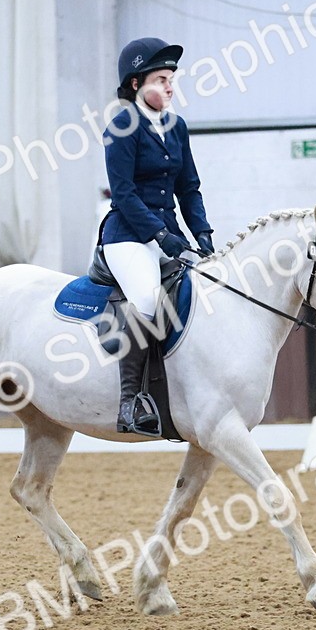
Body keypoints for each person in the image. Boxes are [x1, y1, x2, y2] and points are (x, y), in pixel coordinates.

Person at [100, 37, 214, 436]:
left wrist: (203, 234)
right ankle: (131, 403)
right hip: (128, 237)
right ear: (136, 84)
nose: (170, 87)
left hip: (169, 237)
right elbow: (124, 193)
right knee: (147, 298)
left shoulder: (176, 126)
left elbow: (189, 188)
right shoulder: (121, 127)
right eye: (162, 79)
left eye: (171, 80)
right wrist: (160, 234)